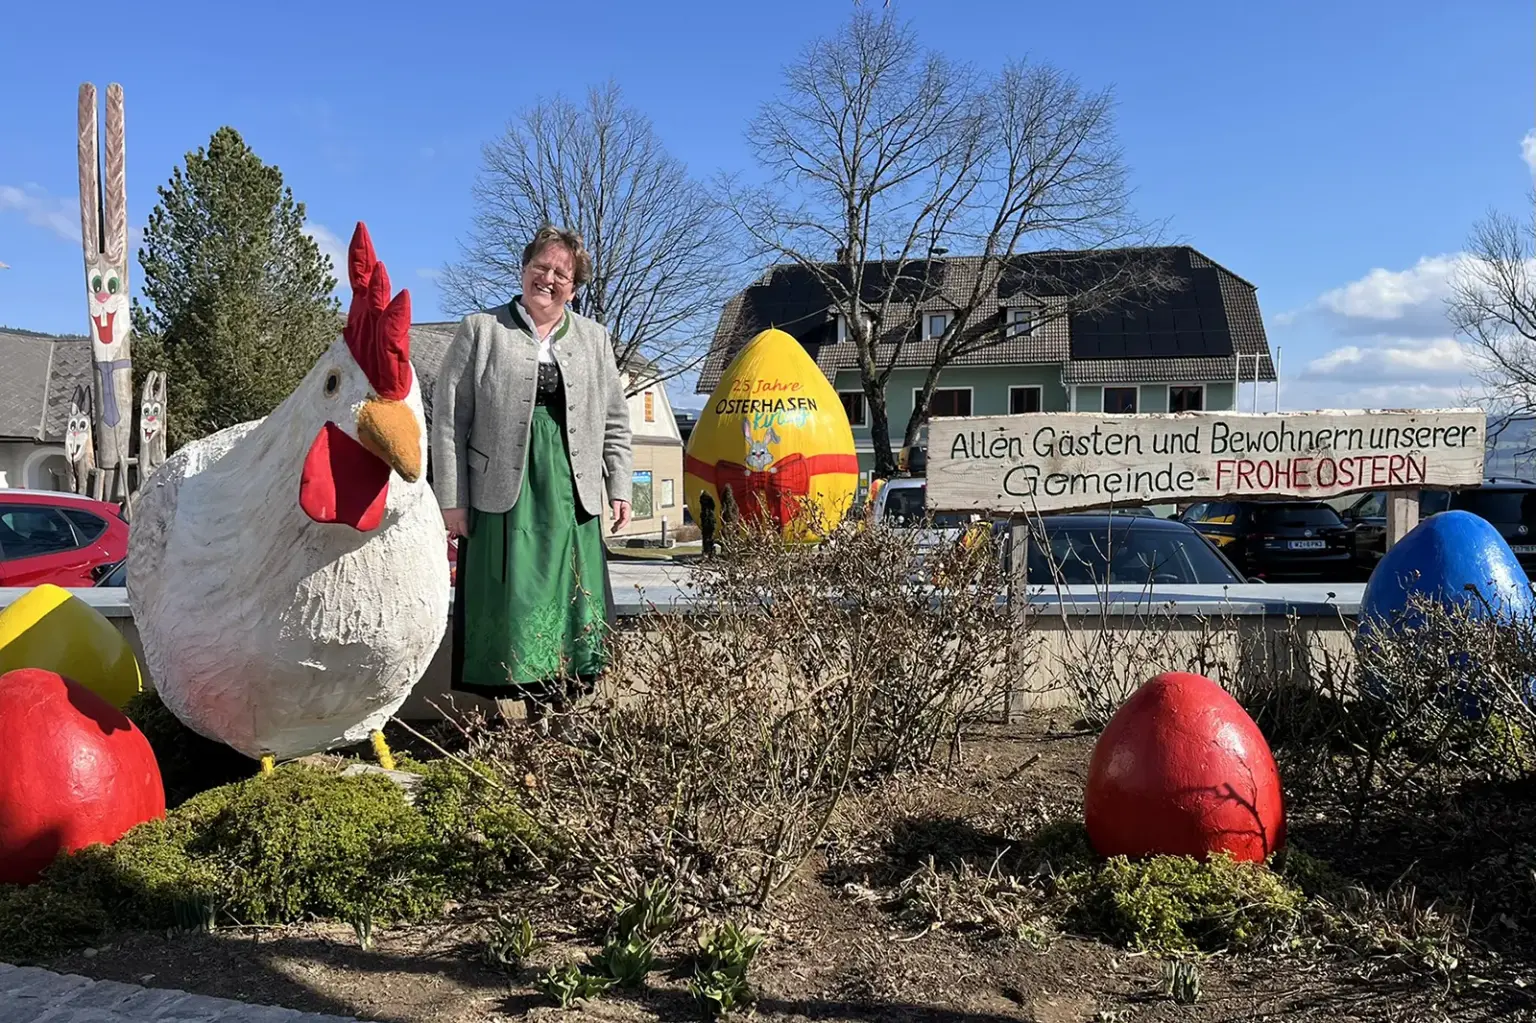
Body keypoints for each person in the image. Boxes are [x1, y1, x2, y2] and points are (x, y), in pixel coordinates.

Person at [431, 225, 633, 720]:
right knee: (516, 599)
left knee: (570, 599)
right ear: (523, 271)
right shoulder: (481, 330)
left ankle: (560, 717)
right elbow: (449, 420)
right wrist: (452, 501)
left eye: (560, 273)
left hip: (572, 492)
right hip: (505, 493)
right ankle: (517, 720)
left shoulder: (594, 338)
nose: (547, 278)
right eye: (540, 267)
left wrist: (620, 485)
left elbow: (614, 419)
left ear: (575, 286)